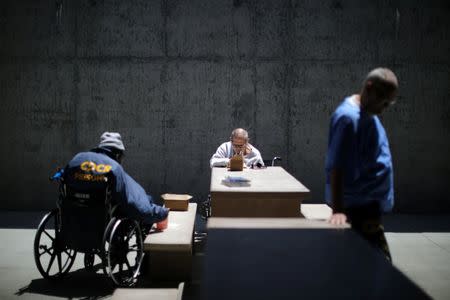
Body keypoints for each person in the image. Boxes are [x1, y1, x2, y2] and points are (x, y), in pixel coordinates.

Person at [325, 68, 398, 260]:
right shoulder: (349, 118)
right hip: (358, 211)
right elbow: (337, 166)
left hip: (368, 208)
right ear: (369, 88)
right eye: (383, 101)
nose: (384, 107)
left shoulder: (367, 114)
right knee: (377, 268)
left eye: (389, 103)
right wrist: (339, 210)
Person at [63, 132, 169, 226]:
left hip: (74, 217)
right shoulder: (114, 167)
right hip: (101, 219)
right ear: (118, 154)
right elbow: (134, 204)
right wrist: (161, 213)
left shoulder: (78, 158)